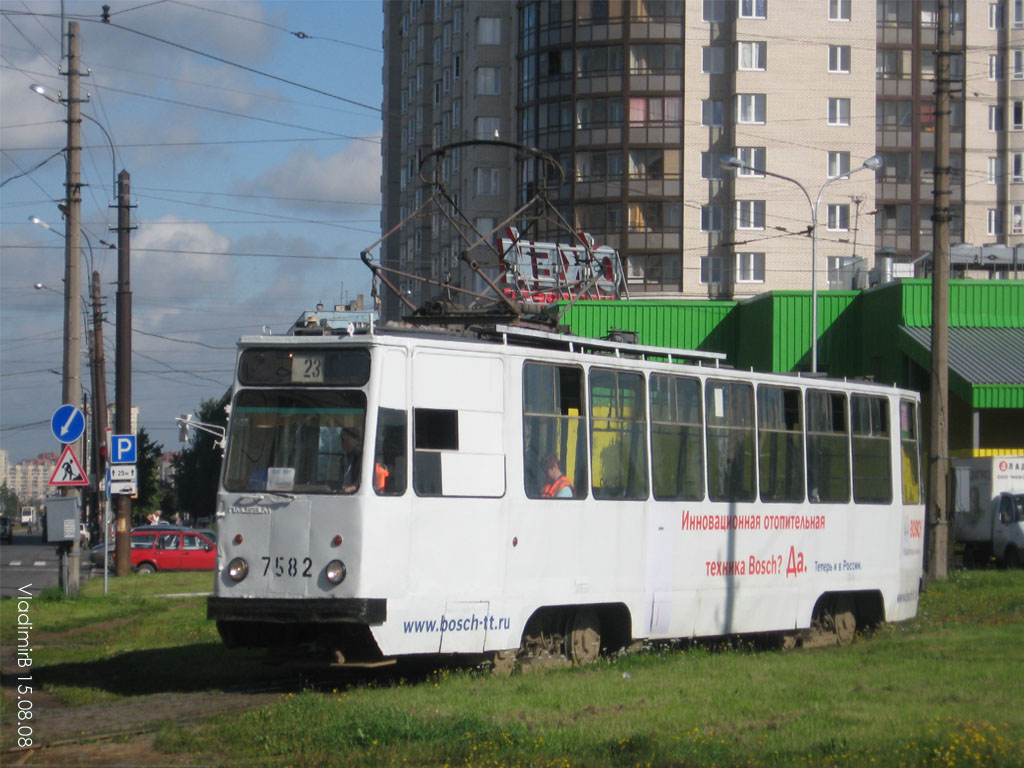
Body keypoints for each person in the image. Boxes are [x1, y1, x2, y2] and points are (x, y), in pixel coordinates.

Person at [341, 427, 363, 493]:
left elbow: (364, 480)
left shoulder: (362, 458)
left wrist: (354, 487)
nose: (343, 444)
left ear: (355, 440)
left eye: (346, 440)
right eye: (342, 440)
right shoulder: (343, 459)